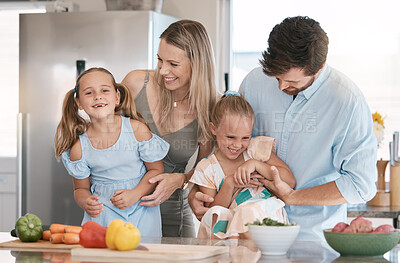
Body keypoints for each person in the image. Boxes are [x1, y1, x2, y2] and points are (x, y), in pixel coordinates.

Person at [189, 16, 377, 241]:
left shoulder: (347, 101)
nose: (280, 86)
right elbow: (228, 143)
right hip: (249, 236)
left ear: (320, 67)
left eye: (291, 83)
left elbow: (360, 184)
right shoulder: (254, 83)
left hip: (313, 237)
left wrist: (293, 196)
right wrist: (198, 192)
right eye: (276, 76)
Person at [121, 19, 217, 237]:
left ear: (197, 64)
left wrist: (180, 180)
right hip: (122, 212)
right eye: (159, 60)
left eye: (173, 64)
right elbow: (104, 135)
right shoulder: (136, 83)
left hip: (174, 218)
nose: (163, 70)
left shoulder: (212, 107)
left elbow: (208, 169)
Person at [54, 67, 170, 237]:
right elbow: (80, 189)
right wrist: (86, 201)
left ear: (117, 97)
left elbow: (156, 171)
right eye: (89, 93)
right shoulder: (79, 148)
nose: (98, 96)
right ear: (78, 103)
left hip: (142, 214)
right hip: (102, 219)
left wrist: (135, 194)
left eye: (104, 90)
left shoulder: (137, 130)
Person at [190, 91, 295, 239]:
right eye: (230, 137)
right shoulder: (207, 169)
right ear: (214, 129)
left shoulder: (255, 149)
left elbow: (289, 181)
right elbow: (212, 214)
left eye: (245, 137)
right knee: (237, 217)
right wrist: (230, 183)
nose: (237, 145)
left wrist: (256, 164)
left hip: (266, 222)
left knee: (247, 213)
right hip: (231, 232)